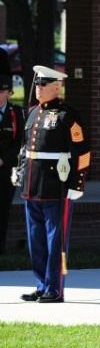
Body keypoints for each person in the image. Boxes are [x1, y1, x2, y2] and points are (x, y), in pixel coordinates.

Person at [17, 66, 90, 303]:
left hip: (56, 187)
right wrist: (20, 173)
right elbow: (26, 149)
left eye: (43, 85)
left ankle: (55, 289)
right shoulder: (32, 113)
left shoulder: (67, 115)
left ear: (57, 87)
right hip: (32, 186)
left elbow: (82, 152)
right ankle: (41, 285)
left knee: (55, 241)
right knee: (36, 240)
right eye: (37, 84)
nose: (38, 89)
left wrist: (77, 184)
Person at [0, 73, 23, 254]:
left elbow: (19, 141)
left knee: (3, 209)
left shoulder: (16, 113)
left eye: (2, 91)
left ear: (9, 93)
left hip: (6, 169)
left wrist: (4, 159)